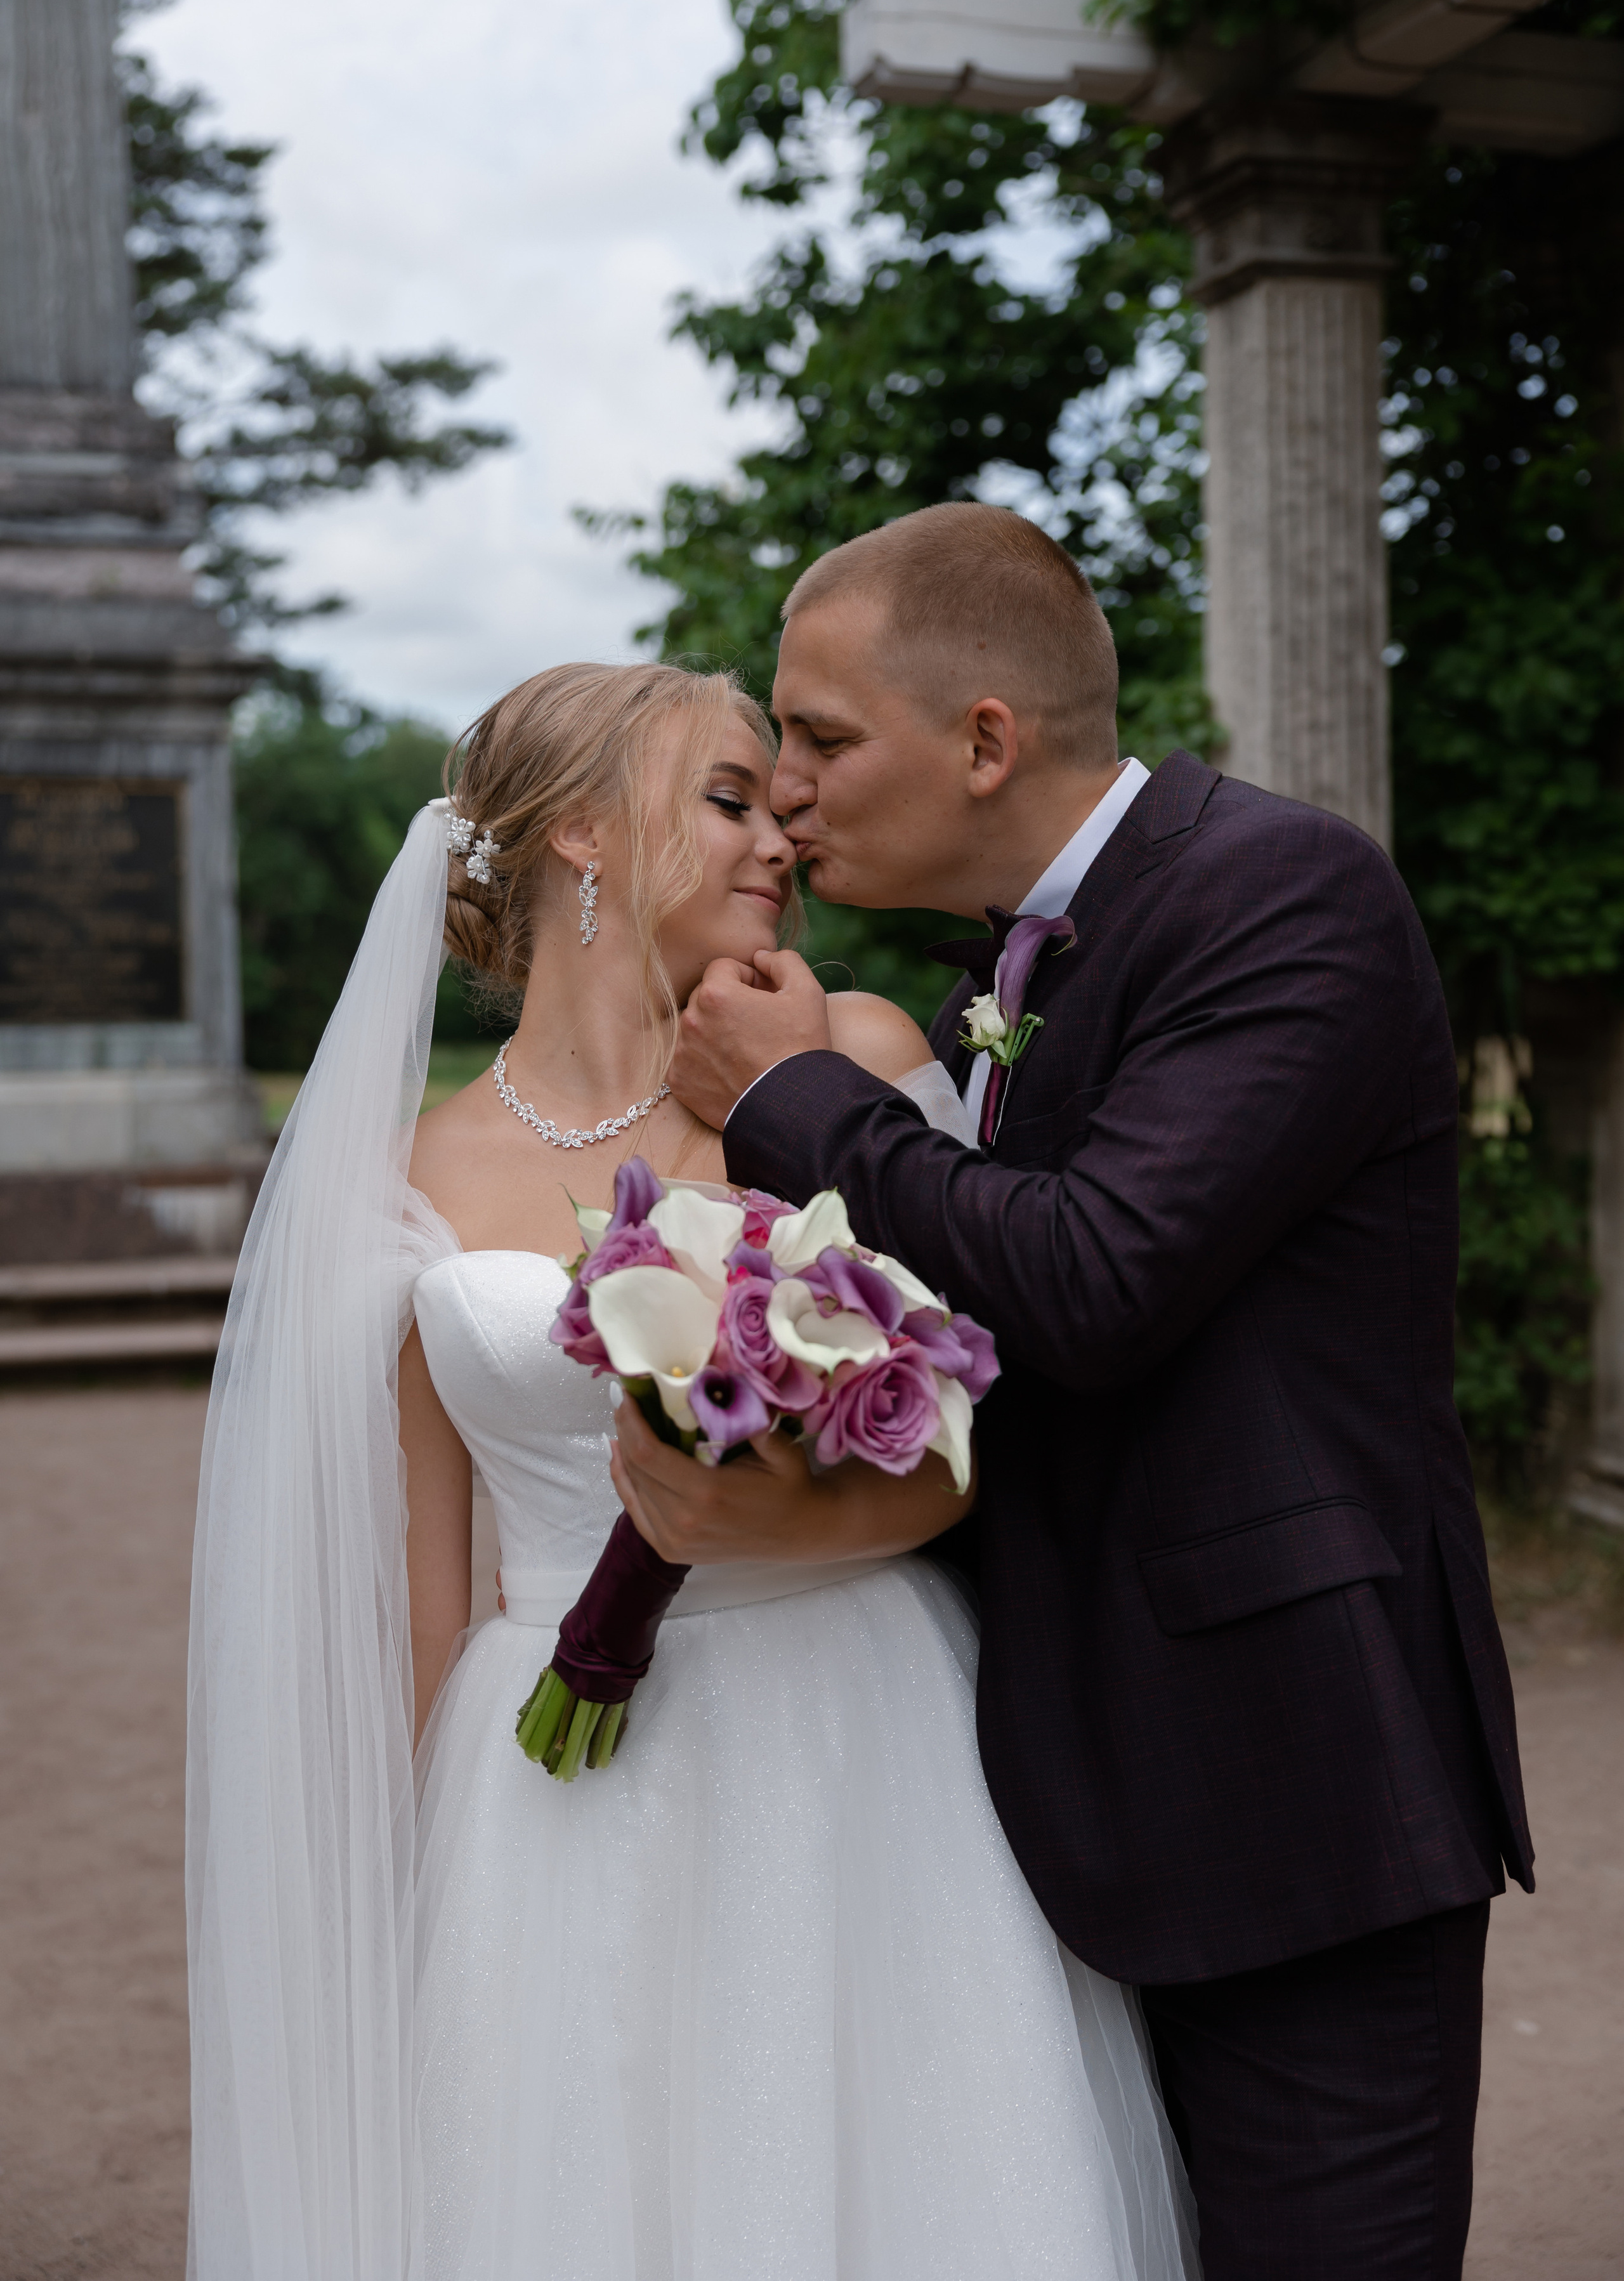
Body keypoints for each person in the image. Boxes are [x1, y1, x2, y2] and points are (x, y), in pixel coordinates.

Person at [614, 502, 1535, 2281]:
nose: (789, 788)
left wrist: (794, 1102)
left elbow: (1098, 1278)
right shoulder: (1008, 970)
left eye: (820, 736)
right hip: (1054, 1785)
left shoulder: (1282, 892)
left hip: (1290, 1787)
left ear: (984, 740)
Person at [187, 659, 1196, 2280]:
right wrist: (404, 1903)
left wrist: (777, 1506)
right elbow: (425, 1591)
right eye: (728, 798)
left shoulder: (847, 1055)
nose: (778, 838)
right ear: (580, 834)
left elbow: (988, 1443)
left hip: (862, 1736)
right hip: (555, 1803)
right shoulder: (410, 1175)